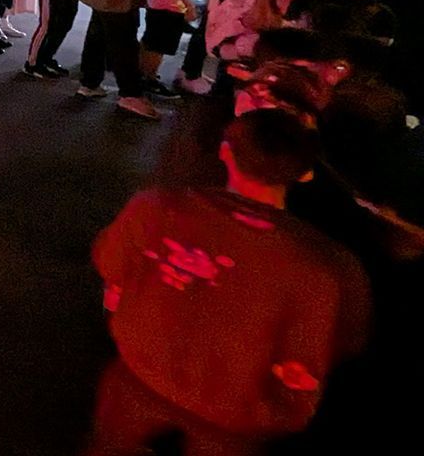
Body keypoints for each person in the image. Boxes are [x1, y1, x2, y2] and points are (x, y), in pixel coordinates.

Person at [89, 110, 369, 455]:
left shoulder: (157, 208)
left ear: (225, 151)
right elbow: (344, 343)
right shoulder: (331, 266)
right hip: (240, 424)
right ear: (306, 173)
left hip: (136, 387)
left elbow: (110, 267)